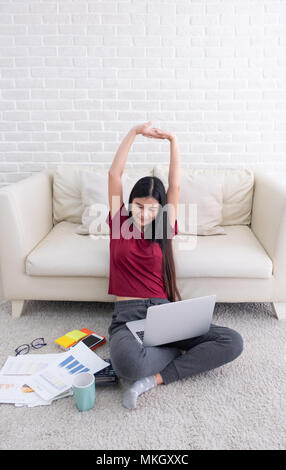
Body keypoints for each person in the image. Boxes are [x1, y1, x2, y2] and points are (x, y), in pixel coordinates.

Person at [106, 121, 243, 409]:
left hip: (164, 313)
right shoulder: (119, 225)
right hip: (127, 317)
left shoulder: (163, 230)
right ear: (130, 204)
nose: (144, 213)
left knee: (232, 341)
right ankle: (179, 352)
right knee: (129, 364)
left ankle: (155, 379)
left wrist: (172, 141)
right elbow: (114, 174)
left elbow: (176, 185)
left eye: (152, 208)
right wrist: (133, 132)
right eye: (139, 206)